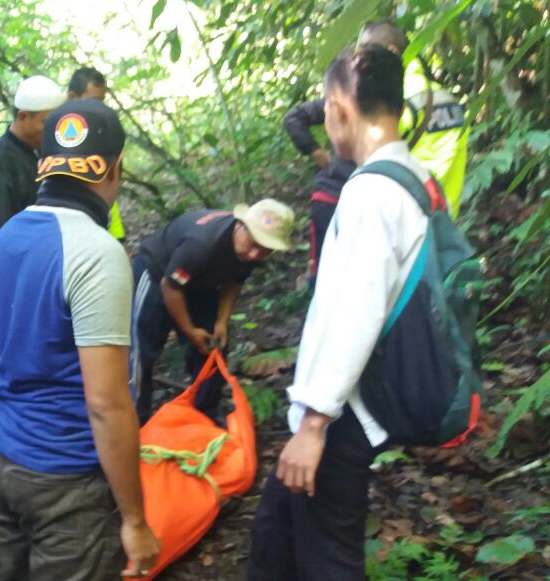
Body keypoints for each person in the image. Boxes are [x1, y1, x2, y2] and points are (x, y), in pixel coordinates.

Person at [248, 45, 431, 580]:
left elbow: (357, 310)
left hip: (342, 414)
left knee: (328, 558)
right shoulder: (413, 176)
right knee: (275, 532)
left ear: (337, 106)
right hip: (347, 402)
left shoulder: (371, 193)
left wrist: (314, 425)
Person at [0, 98, 160, 579]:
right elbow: (106, 404)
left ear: (45, 163)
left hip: (7, 457)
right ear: (114, 168)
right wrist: (135, 520)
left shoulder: (4, 239)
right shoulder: (97, 254)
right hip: (66, 479)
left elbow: (2, 350)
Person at [130, 199, 294, 424]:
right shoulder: (202, 244)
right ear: (240, 225)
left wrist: (221, 321)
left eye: (266, 249)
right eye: (253, 243)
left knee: (214, 348)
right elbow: (171, 287)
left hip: (200, 282)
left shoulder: (250, 251)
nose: (255, 254)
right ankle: (135, 420)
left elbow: (234, 282)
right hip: (158, 274)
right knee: (142, 349)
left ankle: (204, 417)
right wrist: (190, 331)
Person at [284, 19, 468, 219]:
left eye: (366, 49)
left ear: (391, 51)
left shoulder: (397, 93)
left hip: (404, 213)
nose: (360, 57)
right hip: (443, 216)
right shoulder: (445, 97)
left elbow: (371, 145)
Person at [0, 76, 64, 422]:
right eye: (45, 122)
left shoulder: (34, 155)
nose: (51, 130)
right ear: (23, 117)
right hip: (5, 284)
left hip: (30, 280)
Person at [283, 100, 355, 284]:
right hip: (332, 195)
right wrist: (315, 150)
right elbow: (293, 118)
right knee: (325, 269)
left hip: (370, 197)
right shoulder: (342, 99)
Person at [68, 66, 127, 242]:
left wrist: (117, 238)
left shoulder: (104, 136)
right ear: (72, 98)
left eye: (101, 102)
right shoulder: (54, 137)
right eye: (92, 102)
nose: (97, 109)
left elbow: (111, 191)